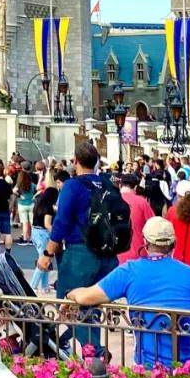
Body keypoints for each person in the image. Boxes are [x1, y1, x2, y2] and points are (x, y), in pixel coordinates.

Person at [66, 217, 190, 368]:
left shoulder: (130, 271)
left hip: (151, 365)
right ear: (174, 243)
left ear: (145, 242)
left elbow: (85, 297)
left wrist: (70, 294)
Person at [37, 142, 118, 356]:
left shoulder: (73, 186)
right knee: (92, 305)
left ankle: (95, 351)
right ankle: (88, 350)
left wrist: (47, 253)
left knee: (68, 302)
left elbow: (61, 222)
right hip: (107, 254)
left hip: (81, 253)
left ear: (75, 161)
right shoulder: (108, 184)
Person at [117, 173, 156, 264]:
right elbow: (154, 224)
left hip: (115, 255)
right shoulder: (142, 202)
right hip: (138, 253)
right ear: (135, 187)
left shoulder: (109, 201)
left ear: (120, 185)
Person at [30, 186, 58, 295]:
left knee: (45, 260)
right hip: (43, 234)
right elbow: (47, 224)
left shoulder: (38, 204)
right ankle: (33, 286)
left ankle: (45, 286)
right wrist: (56, 234)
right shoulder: (49, 208)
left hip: (35, 232)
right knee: (44, 261)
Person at [14, 169, 36, 245]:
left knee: (25, 223)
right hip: (31, 204)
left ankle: (25, 239)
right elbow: (38, 189)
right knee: (32, 223)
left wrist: (20, 195)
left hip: (22, 205)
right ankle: (32, 239)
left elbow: (13, 191)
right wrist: (34, 196)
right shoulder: (32, 184)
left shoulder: (19, 185)